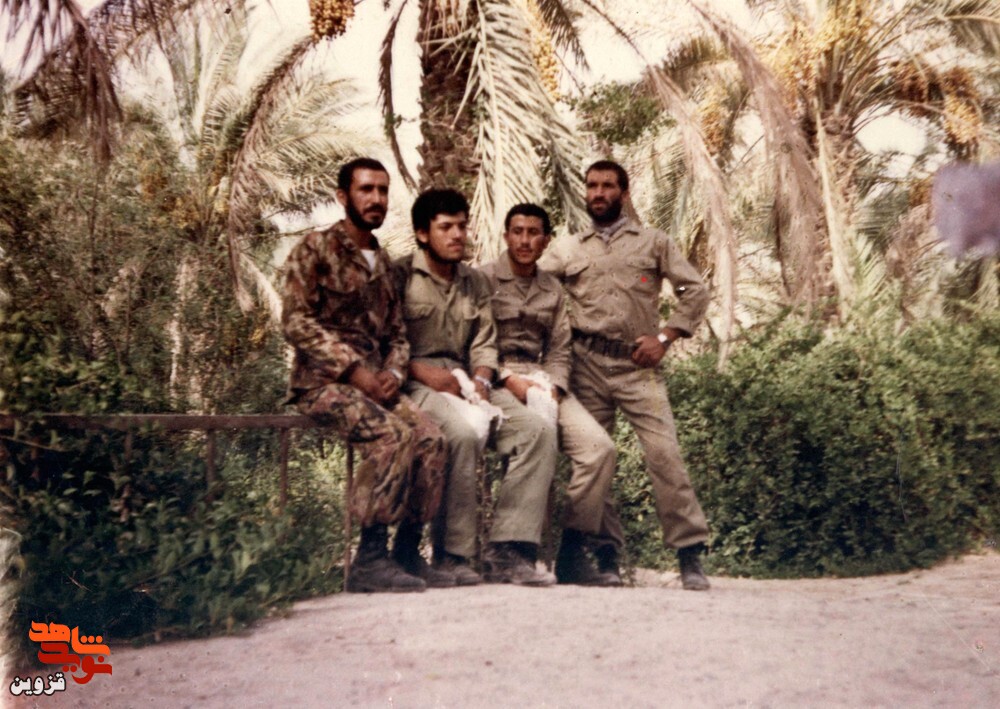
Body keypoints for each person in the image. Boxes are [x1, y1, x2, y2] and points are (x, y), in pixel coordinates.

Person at [539, 160, 713, 590]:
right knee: (596, 459)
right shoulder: (568, 248)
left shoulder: (653, 242)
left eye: (607, 186)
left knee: (665, 454)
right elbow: (528, 278)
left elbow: (694, 290)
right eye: (592, 186)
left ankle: (689, 555)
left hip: (639, 367)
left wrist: (666, 337)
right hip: (586, 365)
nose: (598, 193)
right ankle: (606, 557)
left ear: (624, 192)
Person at [282, 157, 449, 593]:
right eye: (366, 189)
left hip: (376, 384)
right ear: (343, 196)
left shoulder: (385, 263)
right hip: (322, 384)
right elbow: (295, 321)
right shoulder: (315, 249)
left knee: (431, 439)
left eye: (382, 190)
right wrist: (353, 370)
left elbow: (397, 333)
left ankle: (407, 553)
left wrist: (393, 369)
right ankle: (369, 559)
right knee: (392, 436)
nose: (376, 199)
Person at [394, 189, 557, 587]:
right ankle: (453, 555)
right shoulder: (399, 276)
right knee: (462, 434)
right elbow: (384, 342)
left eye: (462, 226)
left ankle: (508, 551)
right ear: (422, 233)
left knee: (537, 431)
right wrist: (422, 373)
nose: (457, 235)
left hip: (467, 381)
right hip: (416, 383)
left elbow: (485, 342)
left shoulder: (475, 282)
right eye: (445, 227)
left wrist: (483, 379)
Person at [479, 203, 621, 586]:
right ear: (506, 236)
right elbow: (475, 342)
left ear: (545, 241)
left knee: (599, 449)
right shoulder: (483, 280)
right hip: (493, 380)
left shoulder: (552, 290)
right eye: (518, 232)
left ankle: (573, 552)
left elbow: (559, 349)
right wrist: (507, 377)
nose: (525, 241)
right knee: (535, 434)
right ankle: (511, 551)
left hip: (542, 380)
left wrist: (555, 388)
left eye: (533, 233)